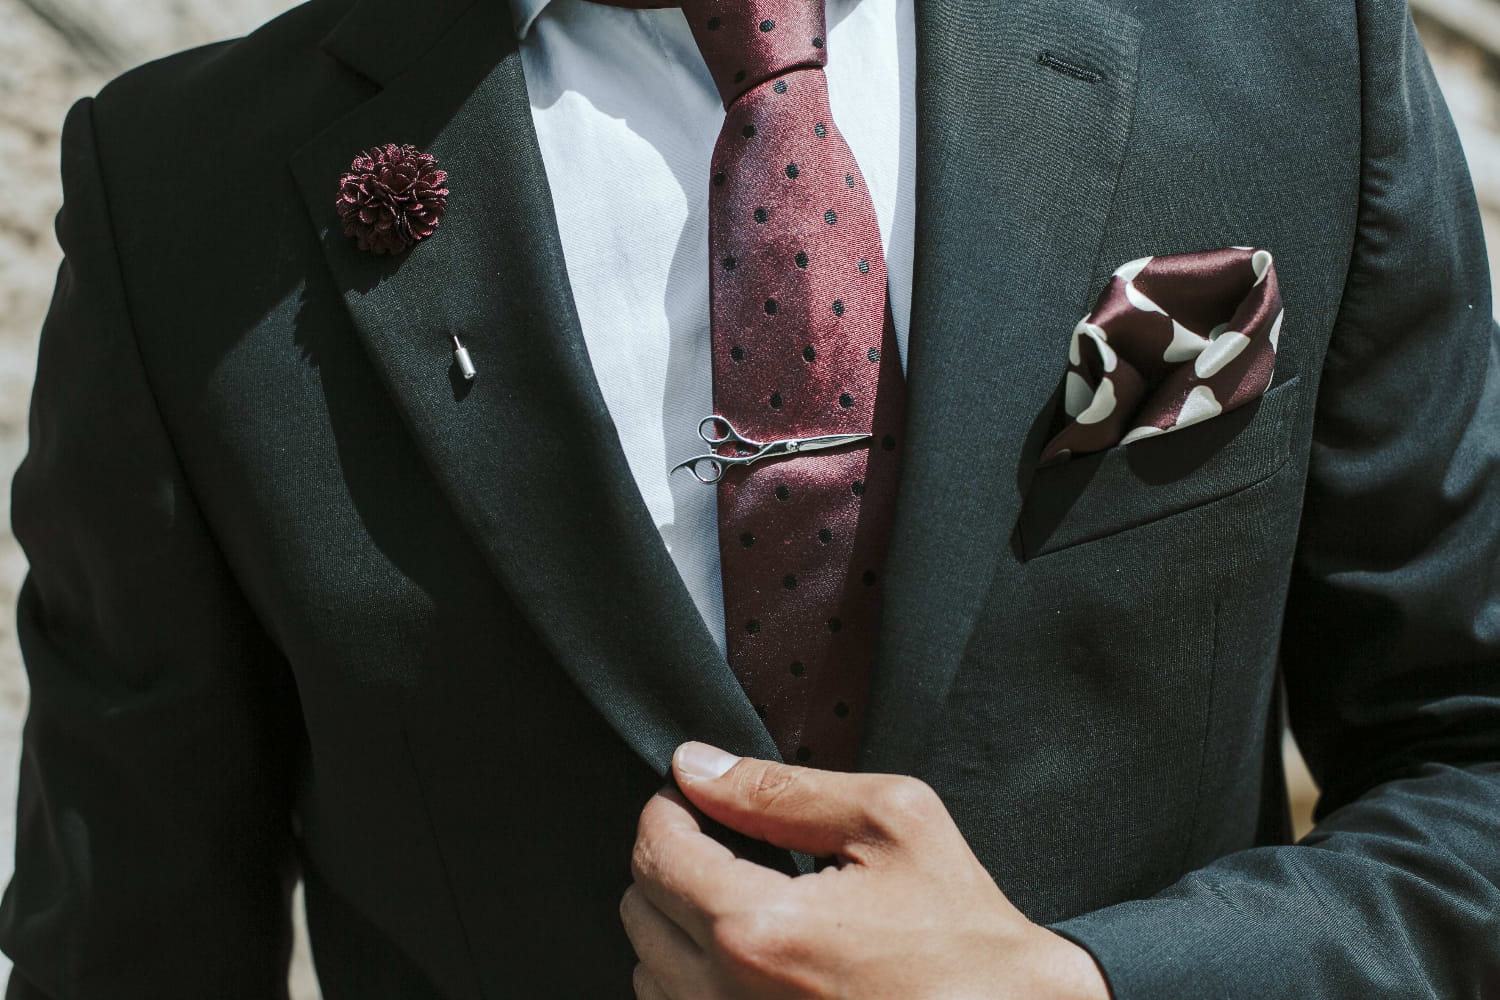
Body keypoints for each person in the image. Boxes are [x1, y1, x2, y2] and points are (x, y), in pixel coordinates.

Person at [3, 0, 1498, 994]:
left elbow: (1473, 765)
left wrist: (1083, 985)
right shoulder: (180, 191)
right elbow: (129, 952)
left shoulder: (1292, 43)